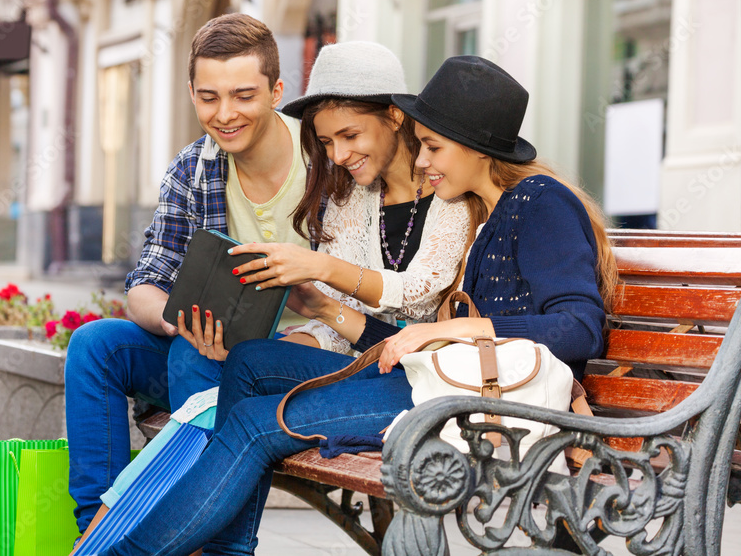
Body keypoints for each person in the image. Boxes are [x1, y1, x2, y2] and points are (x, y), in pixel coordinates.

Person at [94, 55, 619, 556]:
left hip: (480, 405)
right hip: (435, 384)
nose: (421, 161)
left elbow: (579, 328)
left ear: (478, 148)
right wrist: (323, 308)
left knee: (258, 423)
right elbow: (408, 347)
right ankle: (225, 545)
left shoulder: (541, 201)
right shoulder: (486, 215)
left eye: (433, 147)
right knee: (251, 361)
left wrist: (453, 330)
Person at [64, 13, 319, 534]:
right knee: (96, 345)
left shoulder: (326, 160)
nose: (225, 114)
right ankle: (97, 532)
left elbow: (363, 299)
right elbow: (147, 280)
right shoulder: (194, 166)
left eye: (244, 95)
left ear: (276, 90)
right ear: (192, 93)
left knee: (199, 359)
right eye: (208, 97)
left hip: (305, 363)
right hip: (207, 356)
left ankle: (204, 540)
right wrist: (174, 319)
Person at [200, 41, 473, 358]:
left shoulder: (451, 188)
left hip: (429, 375)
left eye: (351, 135)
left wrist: (319, 265)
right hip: (364, 363)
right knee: (245, 361)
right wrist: (256, 355)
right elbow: (337, 322)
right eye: (326, 142)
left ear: (396, 116)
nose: (338, 156)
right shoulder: (350, 198)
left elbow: (418, 295)